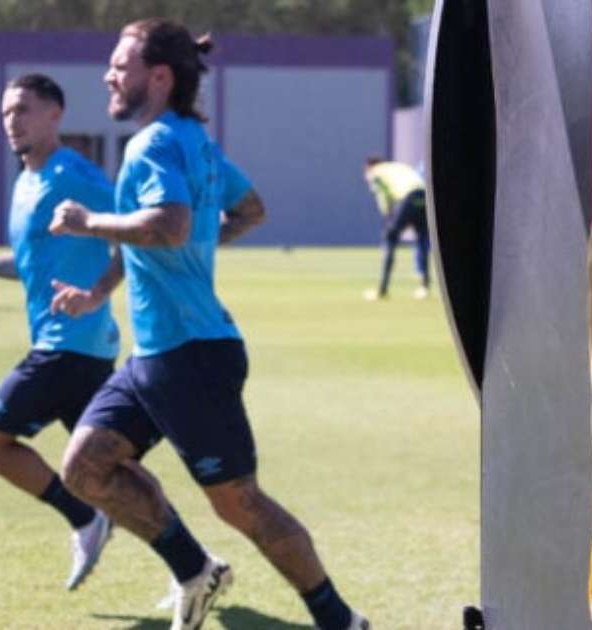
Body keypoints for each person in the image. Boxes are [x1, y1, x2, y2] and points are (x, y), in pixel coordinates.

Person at [46, 19, 369, 630]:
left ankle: (340, 621)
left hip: (189, 359)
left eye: (120, 65)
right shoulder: (194, 141)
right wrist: (97, 294)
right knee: (84, 467)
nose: (108, 75)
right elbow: (249, 210)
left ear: (159, 78)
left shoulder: (153, 144)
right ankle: (196, 571)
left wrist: (90, 223)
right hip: (156, 357)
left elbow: (167, 224)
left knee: (239, 504)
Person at [0, 74, 118, 591]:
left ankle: (85, 518)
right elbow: (31, 267)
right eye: (7, 111)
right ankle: (193, 563)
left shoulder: (74, 174)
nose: (12, 120)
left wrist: (97, 293)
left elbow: (138, 228)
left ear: (55, 114)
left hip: (68, 346)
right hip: (74, 347)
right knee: (116, 475)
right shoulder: (26, 182)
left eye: (24, 110)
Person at [362, 157, 430, 301]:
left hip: (408, 197)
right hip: (424, 196)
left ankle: (382, 290)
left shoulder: (375, 172)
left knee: (390, 237)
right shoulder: (397, 166)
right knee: (422, 240)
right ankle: (424, 287)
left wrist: (387, 214)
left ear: (369, 167)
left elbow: (382, 195)